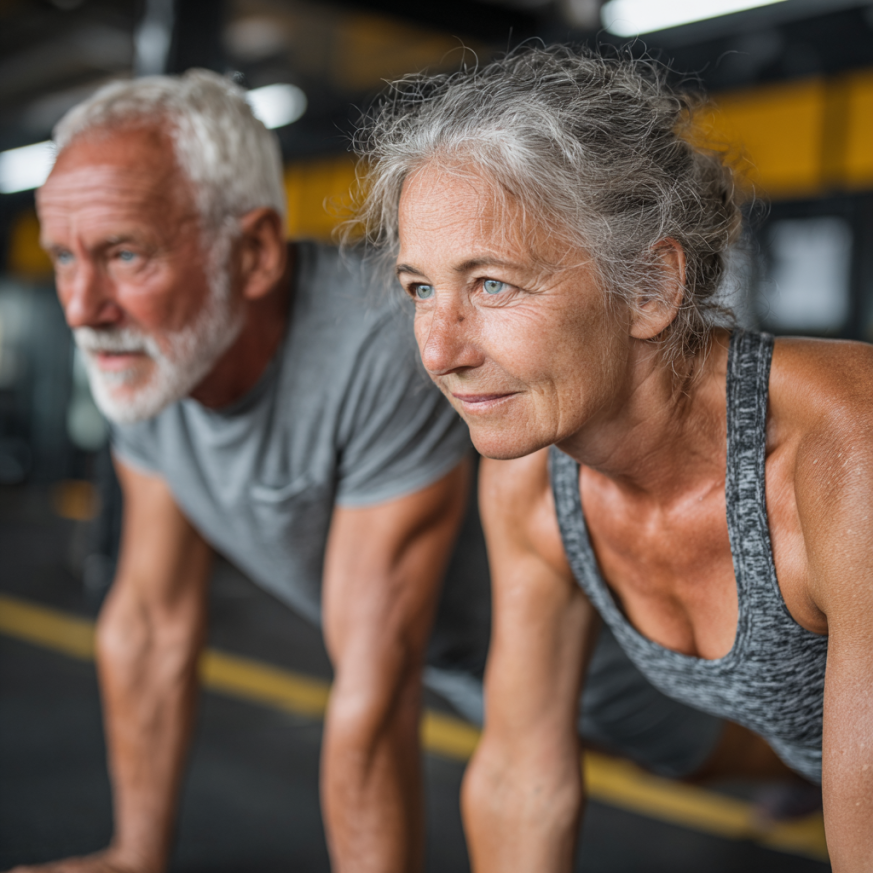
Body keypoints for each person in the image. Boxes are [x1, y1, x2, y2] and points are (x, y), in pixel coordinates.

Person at [353, 46, 873, 871]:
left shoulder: (845, 454)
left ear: (648, 288)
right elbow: (522, 776)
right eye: (420, 288)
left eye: (489, 284)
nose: (438, 350)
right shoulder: (531, 486)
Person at [26, 69, 473, 873]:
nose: (81, 306)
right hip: (462, 670)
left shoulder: (380, 343)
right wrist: (134, 856)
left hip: (622, 664)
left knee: (747, 745)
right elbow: (153, 620)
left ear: (254, 251)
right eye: (64, 257)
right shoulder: (158, 358)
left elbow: (373, 694)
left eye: (124, 253)